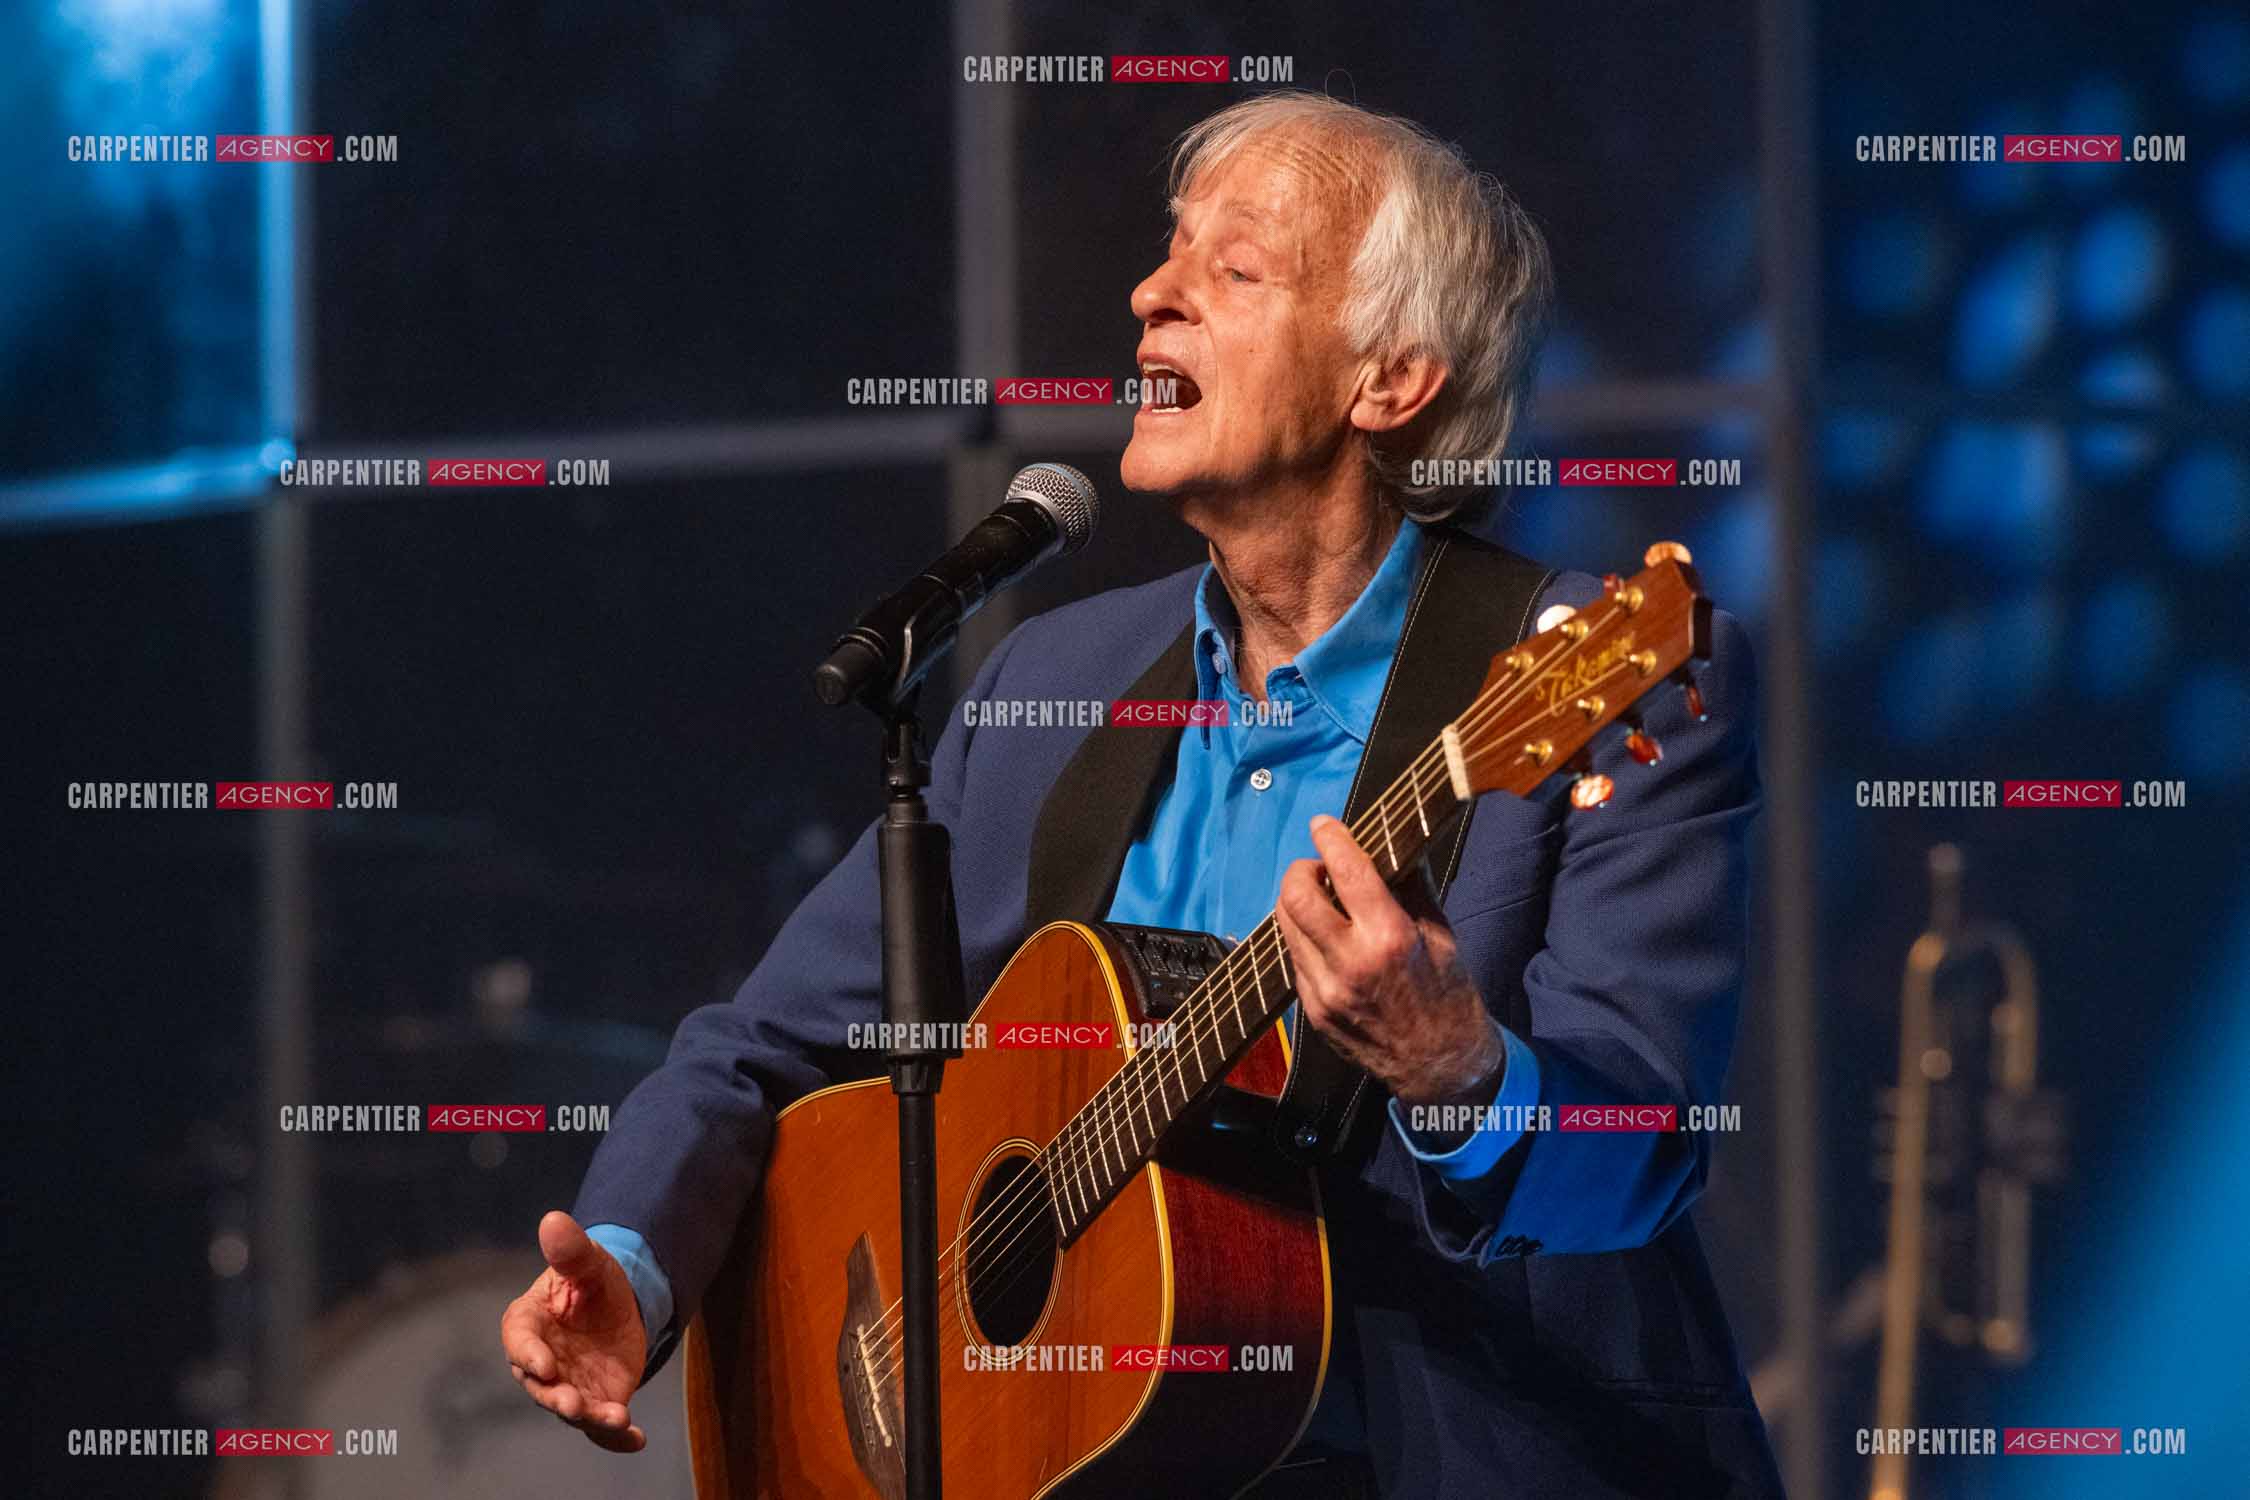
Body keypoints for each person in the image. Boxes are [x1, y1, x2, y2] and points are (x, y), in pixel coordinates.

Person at [502, 91, 1781, 1498]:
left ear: (1390, 380)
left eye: (1233, 268)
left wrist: (1456, 1070)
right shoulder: (1057, 680)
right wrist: (632, 1270)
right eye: (1169, 251)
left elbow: (1643, 1145)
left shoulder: (1597, 672)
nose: (1149, 293)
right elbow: (767, 1049)